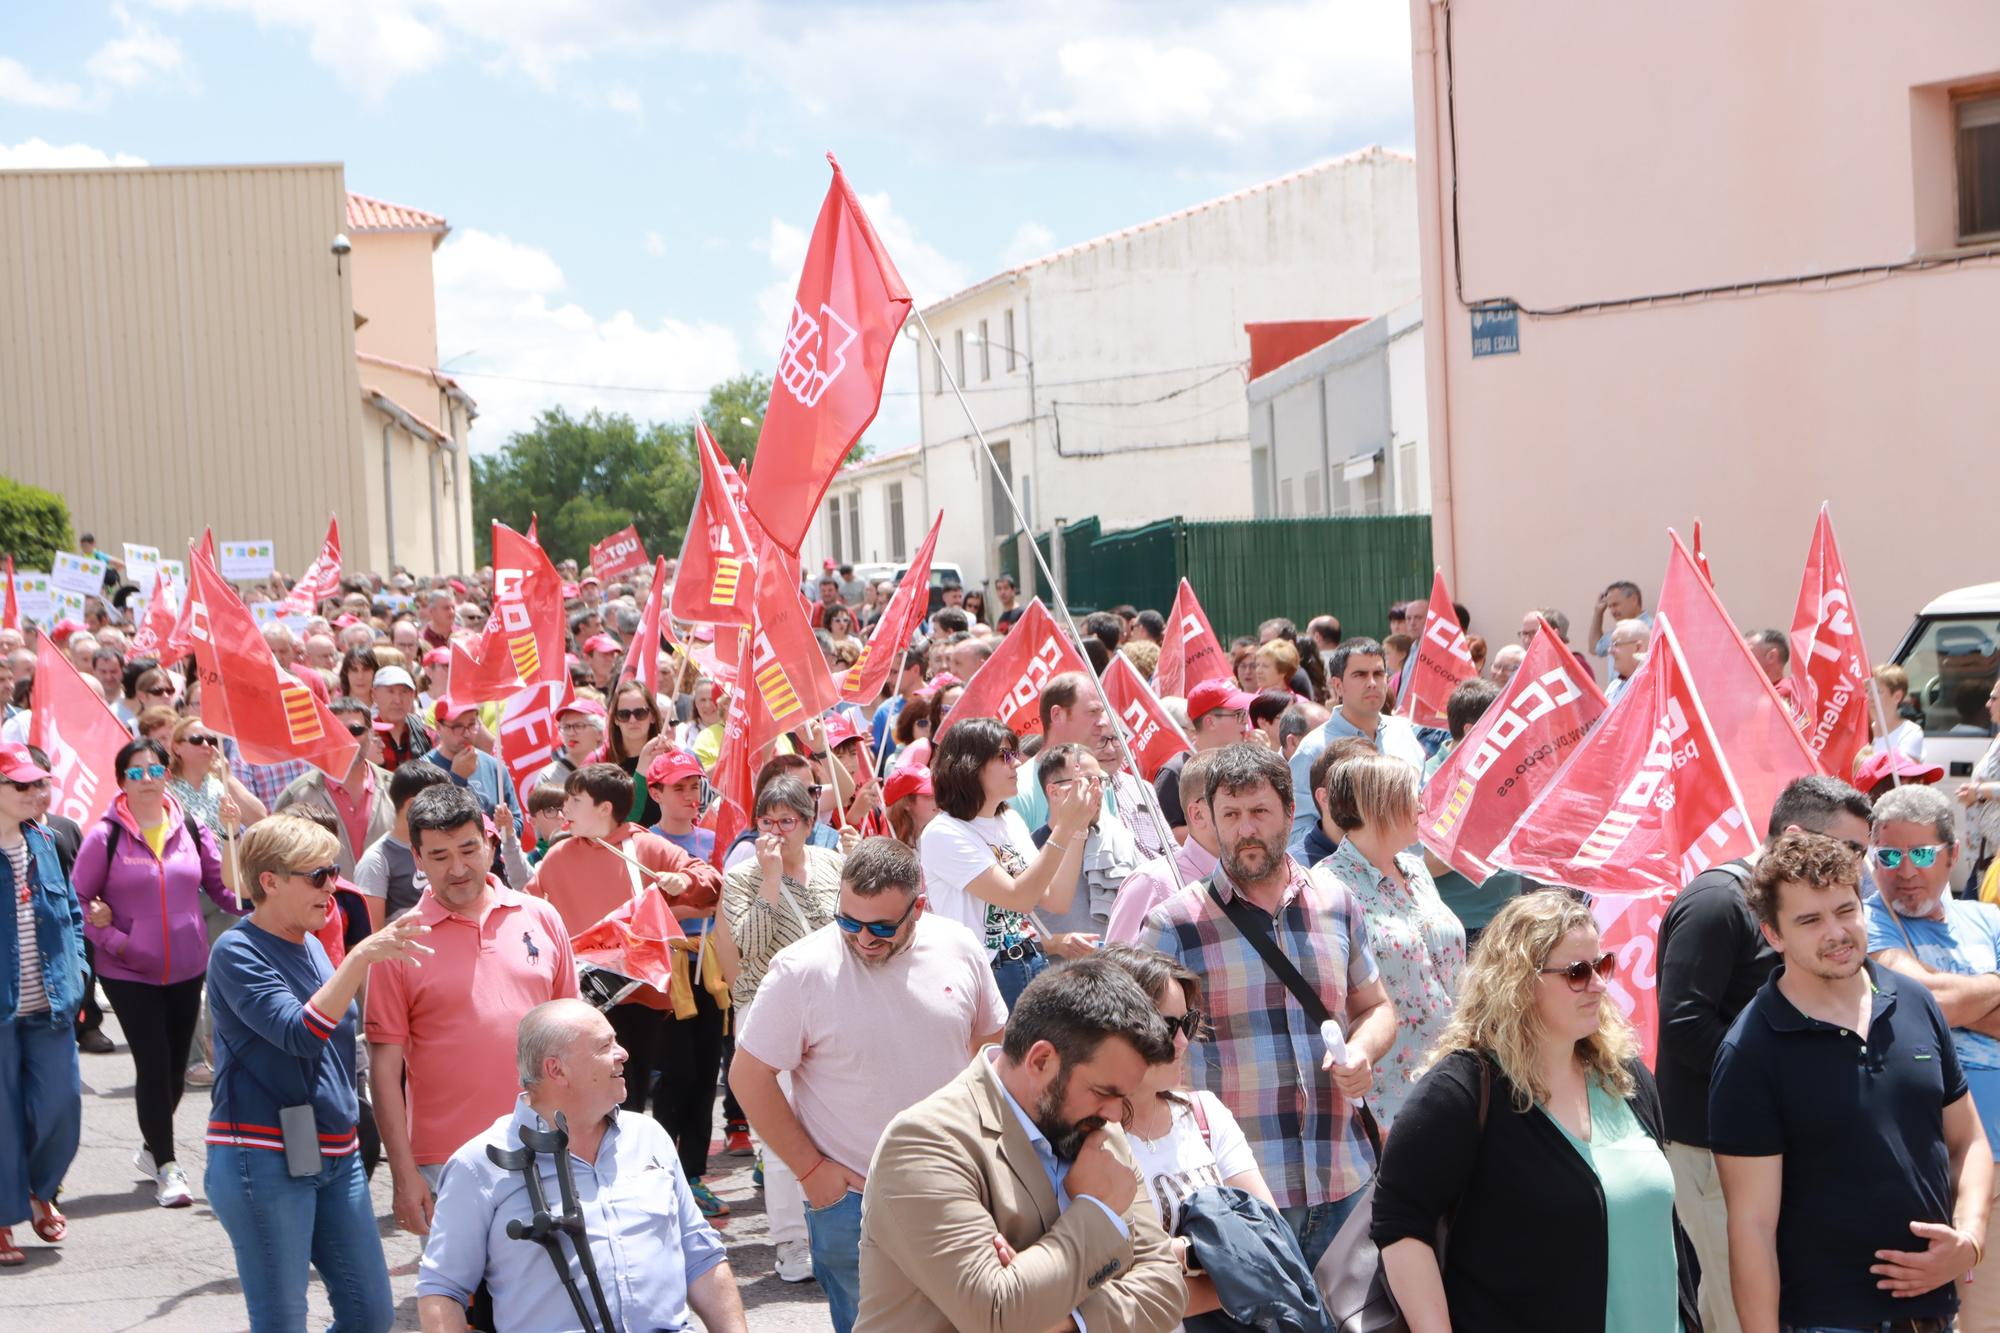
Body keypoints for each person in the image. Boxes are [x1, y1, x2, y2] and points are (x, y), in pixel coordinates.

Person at [1373, 890, 1697, 1333]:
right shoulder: (1463, 1089)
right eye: (1578, 973)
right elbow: (1399, 1222)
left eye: (1602, 965)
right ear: (1520, 984)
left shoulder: (1627, 1076)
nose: (1600, 985)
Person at [1713, 831, 1992, 1333]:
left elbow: (1968, 1139)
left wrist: (1969, 1240)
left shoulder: (1916, 1002)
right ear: (1773, 934)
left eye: (1845, 910)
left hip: (1931, 1317)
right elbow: (1751, 1228)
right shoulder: (1750, 1050)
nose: (1836, 932)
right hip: (1825, 1321)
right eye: (1810, 920)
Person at [731, 837, 1006, 1330]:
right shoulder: (801, 970)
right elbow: (748, 1077)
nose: (862, 938)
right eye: (848, 921)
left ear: (917, 908)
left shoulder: (960, 948)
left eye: (881, 926)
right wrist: (812, 1171)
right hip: (853, 1204)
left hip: (959, 1191)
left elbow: (991, 1056)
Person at [1147, 744, 1396, 1268]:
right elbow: (1142, 1055)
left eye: (1259, 812)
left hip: (1343, 1179)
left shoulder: (1337, 902)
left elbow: (1376, 1006)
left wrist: (1362, 1051)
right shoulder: (1173, 926)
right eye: (1230, 815)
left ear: (1290, 811)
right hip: (1241, 1197)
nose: (1245, 829)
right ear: (1210, 820)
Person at [855, 956, 1186, 1332]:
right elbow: (997, 1314)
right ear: (1041, 1060)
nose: (1114, 1116)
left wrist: (1063, 1320)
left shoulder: (1098, 1129)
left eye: (1122, 1097)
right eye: (1102, 1092)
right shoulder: (924, 1143)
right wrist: (1097, 1209)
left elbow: (1165, 1288)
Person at [1654, 773, 1872, 1333]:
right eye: (1848, 849)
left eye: (1863, 853)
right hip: (1709, 1156)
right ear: (1795, 834)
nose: (1859, 867)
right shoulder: (1715, 902)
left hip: (1776, 1154)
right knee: (1736, 1311)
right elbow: (1684, 1023)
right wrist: (1783, 1081)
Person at [205, 816, 433, 1333]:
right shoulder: (236, 950)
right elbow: (299, 1033)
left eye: (333, 871)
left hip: (334, 1149)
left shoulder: (309, 942)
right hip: (261, 1154)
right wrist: (357, 959)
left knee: (370, 1314)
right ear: (271, 881)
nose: (332, 885)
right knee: (282, 1321)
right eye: (317, 876)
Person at [416, 999, 747, 1332]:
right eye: (605, 1046)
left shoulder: (648, 1137)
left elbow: (701, 1256)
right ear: (556, 1069)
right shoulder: (480, 1164)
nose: (623, 1053)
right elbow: (442, 1291)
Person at [367, 784, 579, 1241]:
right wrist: (403, 1176)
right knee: (458, 1304)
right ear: (417, 860)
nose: (458, 868)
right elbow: (383, 1073)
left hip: (546, 1147)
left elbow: (575, 1036)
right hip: (447, 1161)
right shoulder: (396, 943)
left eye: (468, 848)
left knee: (553, 1299)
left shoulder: (542, 918)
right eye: (439, 856)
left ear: (489, 842)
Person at [528, 763, 727, 1218]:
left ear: (604, 808)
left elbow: (709, 880)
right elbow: (531, 902)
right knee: (596, 1096)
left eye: (574, 802)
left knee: (655, 1093)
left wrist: (686, 880)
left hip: (645, 997)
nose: (565, 811)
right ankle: (602, 1186)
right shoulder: (558, 856)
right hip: (588, 1000)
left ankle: (671, 1182)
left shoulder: (645, 845)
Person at [73, 736, 240, 1208]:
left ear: (168, 773)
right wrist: (117, 941)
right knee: (153, 1065)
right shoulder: (103, 838)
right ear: (121, 781)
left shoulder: (190, 824)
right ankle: (168, 1165)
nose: (146, 780)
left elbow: (226, 892)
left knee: (174, 1073)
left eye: (154, 770)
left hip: (187, 967)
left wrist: (230, 834)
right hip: (128, 972)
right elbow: (80, 902)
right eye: (136, 772)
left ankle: (151, 1148)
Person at [1863, 781, 2000, 1326]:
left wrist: (1950, 997)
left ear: (1954, 853)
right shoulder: (1867, 921)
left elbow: (1934, 998)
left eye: (1921, 854)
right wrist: (1990, 984)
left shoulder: (1985, 922)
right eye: (1889, 855)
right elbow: (1929, 1002)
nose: (1905, 871)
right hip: (1930, 1161)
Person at [1100, 944, 1278, 1326]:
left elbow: (1271, 1238)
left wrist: (1176, 1256)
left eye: (1188, 1023)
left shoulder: (1205, 1113)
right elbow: (1107, 1292)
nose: (1182, 1042)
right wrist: (1221, 1259)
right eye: (1165, 1027)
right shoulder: (1088, 1142)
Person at [712, 775, 846, 1275]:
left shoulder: (835, 863)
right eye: (766, 822)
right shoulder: (743, 876)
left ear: (809, 825)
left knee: (834, 1120)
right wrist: (769, 878)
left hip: (834, 1005)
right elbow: (750, 944)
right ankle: (791, 1241)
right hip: (768, 1006)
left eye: (787, 821)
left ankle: (838, 1232)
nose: (775, 832)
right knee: (779, 1128)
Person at [1313, 751, 1464, 1126]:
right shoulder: (1327, 886)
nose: (1421, 804)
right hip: (1392, 1101)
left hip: (1459, 1073)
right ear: (1377, 803)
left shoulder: (1415, 869)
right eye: (1410, 793)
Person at [919, 717, 1094, 1007]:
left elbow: (1055, 899)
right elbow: (1020, 898)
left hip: (1031, 960)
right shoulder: (943, 832)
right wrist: (1064, 827)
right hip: (986, 974)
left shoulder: (1009, 820)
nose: (1017, 762)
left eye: (1015, 754)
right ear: (969, 765)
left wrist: (1077, 829)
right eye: (1004, 755)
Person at [0, 743, 86, 1266]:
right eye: (23, 786)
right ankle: (3, 1214)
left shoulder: (47, 841)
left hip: (52, 1002)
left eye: (39, 784)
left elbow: (71, 912)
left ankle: (38, 1189)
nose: (37, 793)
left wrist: (77, 972)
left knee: (62, 1103)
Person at [1287, 637, 1427, 853]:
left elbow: (1426, 802)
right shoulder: (1313, 749)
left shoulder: (1403, 731)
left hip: (1410, 875)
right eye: (1360, 674)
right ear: (1338, 685)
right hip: (1348, 881)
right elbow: (1296, 833)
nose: (1372, 682)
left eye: (1378, 674)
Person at [1106, 751, 1225, 947]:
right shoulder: (1152, 884)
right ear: (1198, 814)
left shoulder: (1261, 876)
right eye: (1231, 808)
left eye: (1258, 809)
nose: (1250, 823)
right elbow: (1117, 972)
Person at [275, 698, 394, 874]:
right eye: (337, 730)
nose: (346, 738)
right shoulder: (297, 795)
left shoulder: (395, 789)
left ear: (371, 733)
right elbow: (278, 859)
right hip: (326, 900)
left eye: (355, 730)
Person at [351, 760, 455, 926]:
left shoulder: (448, 846)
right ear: (412, 805)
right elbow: (373, 937)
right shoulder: (376, 860)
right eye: (438, 803)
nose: (446, 810)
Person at [1154, 679, 1250, 837]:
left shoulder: (1241, 763)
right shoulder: (1176, 771)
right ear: (1210, 722)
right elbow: (1165, 835)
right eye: (1238, 715)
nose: (1245, 722)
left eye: (1245, 713)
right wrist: (1225, 824)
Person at [423, 700, 520, 829]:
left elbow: (518, 822)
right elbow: (428, 827)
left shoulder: (494, 766)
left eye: (472, 725)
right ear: (438, 727)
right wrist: (456, 778)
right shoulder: (422, 771)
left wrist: (506, 826)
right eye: (457, 727)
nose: (467, 733)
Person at [603, 679, 673, 826]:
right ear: (615, 719)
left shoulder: (673, 756)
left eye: (640, 713)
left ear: (653, 716)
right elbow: (619, 823)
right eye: (624, 714)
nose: (632, 720)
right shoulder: (601, 761)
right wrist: (642, 769)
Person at [1963, 676, 2000, 890]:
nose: (1988, 704)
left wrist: (1978, 792)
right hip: (1985, 854)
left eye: (1994, 698)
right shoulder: (1997, 738)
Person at [535, 696, 605, 791]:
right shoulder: (549, 777)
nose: (571, 733)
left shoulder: (614, 766)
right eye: (566, 727)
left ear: (600, 733)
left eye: (579, 726)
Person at [372, 665, 433, 771]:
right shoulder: (365, 736)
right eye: (390, 691)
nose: (397, 700)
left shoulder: (425, 734)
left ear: (412, 695)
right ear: (374, 694)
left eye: (404, 692)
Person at [1872, 662, 1925, 761]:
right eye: (1868, 690)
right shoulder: (1863, 732)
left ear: (1897, 697)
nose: (1870, 697)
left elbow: (1905, 774)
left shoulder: (1910, 732)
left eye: (1878, 691)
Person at [1588, 580, 1651, 662]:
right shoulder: (1616, 632)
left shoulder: (1652, 629)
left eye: (1615, 605)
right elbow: (1594, 648)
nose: (1612, 611)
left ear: (1634, 600)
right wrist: (1598, 612)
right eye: (1609, 606)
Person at [882, 764, 938, 848]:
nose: (939, 799)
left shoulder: (940, 834)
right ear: (906, 803)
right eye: (929, 795)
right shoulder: (888, 848)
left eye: (938, 792)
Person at [1603, 618, 1649, 705]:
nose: (1610, 651)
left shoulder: (1654, 688)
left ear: (1638, 648)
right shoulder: (1613, 687)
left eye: (1616, 644)